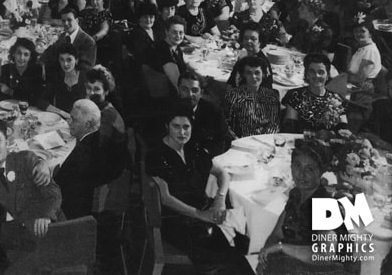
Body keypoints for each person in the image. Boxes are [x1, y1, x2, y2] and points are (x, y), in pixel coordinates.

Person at [146, 112, 251, 275]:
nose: (182, 132)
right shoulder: (156, 155)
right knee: (221, 254)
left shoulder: (193, 148)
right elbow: (166, 199)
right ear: (167, 126)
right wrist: (200, 214)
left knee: (243, 240)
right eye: (176, 126)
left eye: (186, 127)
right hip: (176, 220)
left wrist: (220, 199)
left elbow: (222, 173)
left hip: (203, 210)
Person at [0, 118, 64, 272]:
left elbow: (53, 193)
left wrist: (46, 216)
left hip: (38, 228)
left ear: (7, 143)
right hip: (8, 238)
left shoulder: (25, 160)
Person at [257, 139, 358, 275]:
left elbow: (325, 253)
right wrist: (265, 257)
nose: (301, 174)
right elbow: (277, 233)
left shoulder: (324, 204)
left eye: (309, 169)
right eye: (297, 165)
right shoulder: (297, 194)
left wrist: (282, 248)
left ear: (320, 172)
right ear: (291, 166)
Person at [53, 99, 127, 219]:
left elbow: (59, 183)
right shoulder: (96, 137)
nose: (68, 122)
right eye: (70, 117)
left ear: (87, 125)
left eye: (74, 120)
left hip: (71, 211)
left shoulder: (82, 154)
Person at [281, 53, 348, 133]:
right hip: (300, 142)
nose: (316, 75)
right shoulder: (294, 95)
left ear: (328, 75)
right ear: (307, 74)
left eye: (321, 72)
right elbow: (290, 129)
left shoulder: (338, 99)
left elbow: (344, 130)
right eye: (312, 71)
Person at [175, 72, 233, 156]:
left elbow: (222, 139)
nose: (190, 94)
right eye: (185, 89)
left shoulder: (213, 110)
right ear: (178, 90)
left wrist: (205, 154)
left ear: (201, 92)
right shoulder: (168, 110)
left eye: (194, 90)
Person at [223, 55, 281, 137]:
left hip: (266, 141)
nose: (253, 77)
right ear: (243, 75)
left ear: (263, 74)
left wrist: (266, 139)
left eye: (257, 73)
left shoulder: (271, 96)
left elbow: (274, 124)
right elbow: (225, 124)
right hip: (241, 141)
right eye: (249, 73)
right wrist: (236, 140)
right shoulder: (233, 96)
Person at [37, 43, 85, 114]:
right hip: (61, 119)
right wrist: (61, 112)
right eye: (62, 59)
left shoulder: (85, 77)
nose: (65, 64)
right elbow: (41, 101)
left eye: (69, 60)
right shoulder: (57, 77)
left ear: (76, 60)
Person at [0, 37, 45, 104]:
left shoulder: (36, 71)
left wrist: (10, 92)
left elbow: (36, 98)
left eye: (26, 54)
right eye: (19, 53)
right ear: (14, 53)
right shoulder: (6, 69)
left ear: (30, 57)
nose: (21, 58)